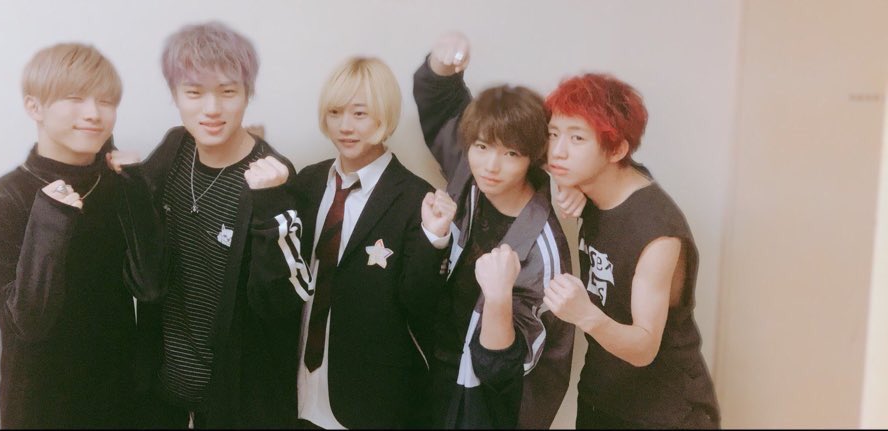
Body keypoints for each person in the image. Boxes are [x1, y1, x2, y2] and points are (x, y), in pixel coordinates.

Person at [243, 56, 454, 429]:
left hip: (369, 400)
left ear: (384, 115)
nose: (345, 127)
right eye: (335, 112)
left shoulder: (413, 197)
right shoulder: (306, 183)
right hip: (296, 389)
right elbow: (278, 276)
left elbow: (420, 306)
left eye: (359, 114)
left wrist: (434, 238)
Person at [0, 42, 161, 428]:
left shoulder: (121, 185)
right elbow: (30, 322)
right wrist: (51, 217)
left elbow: (151, 286)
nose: (93, 114)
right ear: (34, 107)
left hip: (122, 398)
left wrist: (136, 190)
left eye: (106, 101)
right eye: (74, 98)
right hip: (42, 405)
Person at [120, 21, 298, 429]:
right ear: (175, 96)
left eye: (228, 92)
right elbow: (145, 271)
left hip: (231, 403)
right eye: (194, 92)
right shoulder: (174, 148)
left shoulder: (272, 179)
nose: (211, 109)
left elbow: (279, 305)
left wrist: (271, 209)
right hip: (162, 392)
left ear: (248, 94)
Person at [412, 32, 575, 429]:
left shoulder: (544, 250)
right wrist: (442, 62)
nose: (491, 166)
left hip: (495, 404)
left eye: (511, 153)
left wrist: (499, 295)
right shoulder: (469, 171)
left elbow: (503, 369)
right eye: (482, 147)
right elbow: (440, 102)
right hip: (439, 364)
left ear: (532, 157)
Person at [542, 72, 720, 429]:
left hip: (663, 412)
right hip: (602, 397)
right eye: (554, 134)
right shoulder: (594, 180)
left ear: (617, 150)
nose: (557, 151)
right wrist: (566, 186)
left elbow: (644, 347)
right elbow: (528, 151)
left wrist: (584, 314)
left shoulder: (657, 232)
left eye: (577, 138)